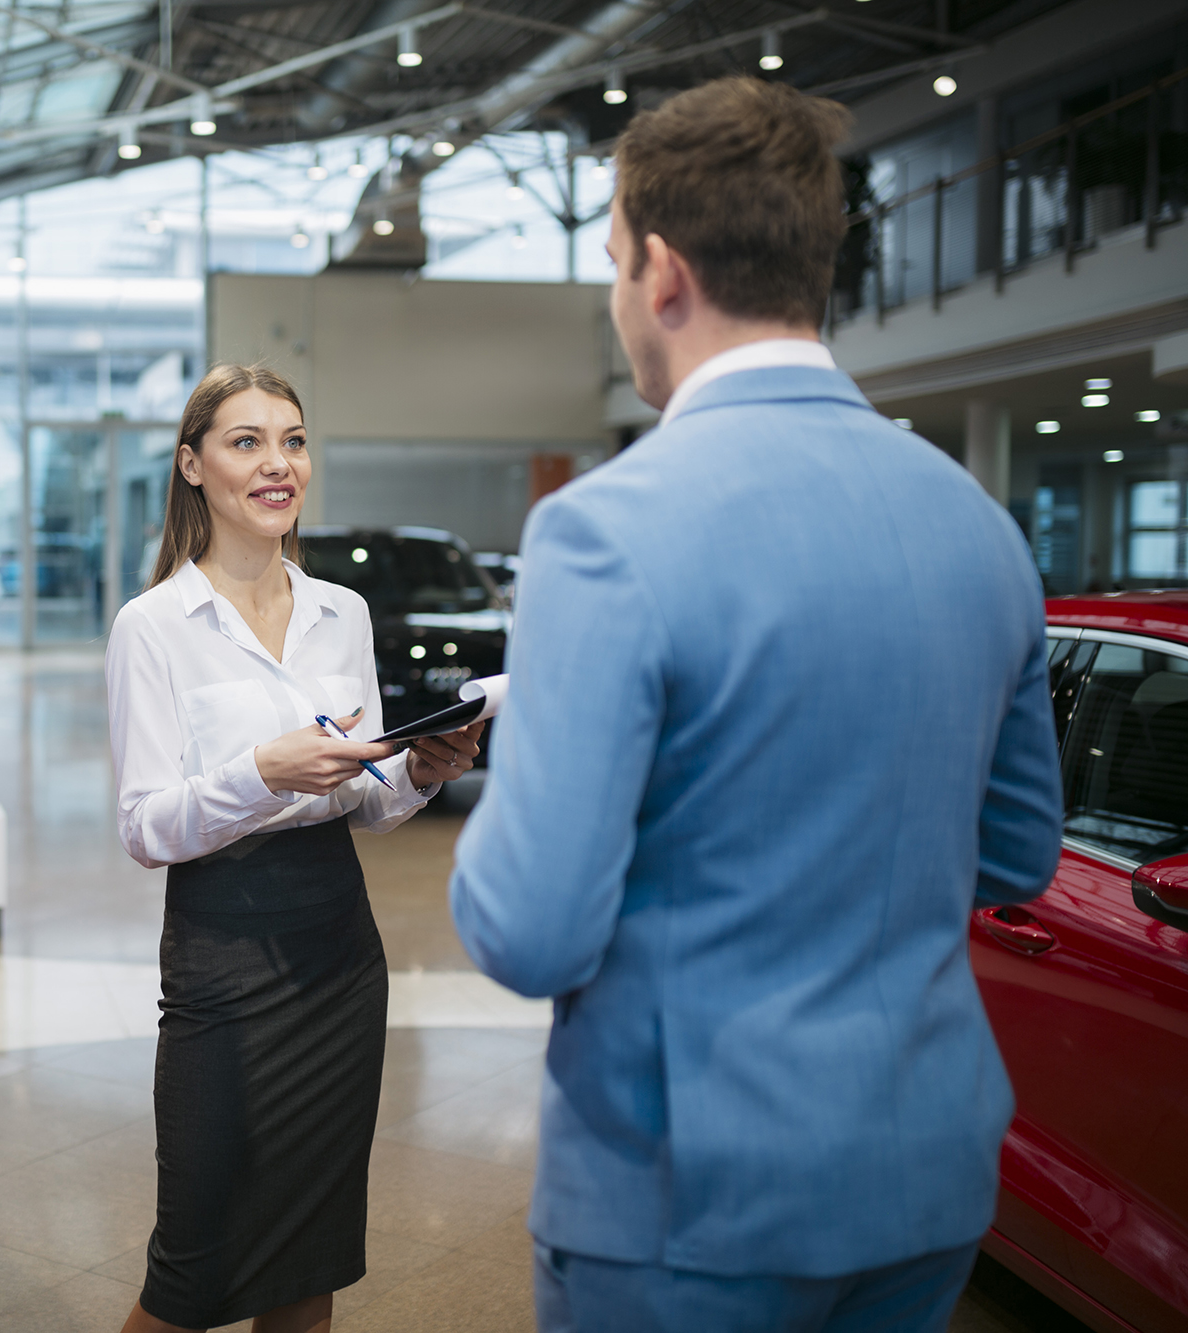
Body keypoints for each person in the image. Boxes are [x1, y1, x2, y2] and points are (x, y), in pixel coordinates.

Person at [450, 77, 1064, 1333]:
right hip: (924, 1170)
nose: (620, 294)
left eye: (614, 263)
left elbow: (528, 929)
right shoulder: (977, 526)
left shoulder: (603, 533)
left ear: (662, 273)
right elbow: (1014, 849)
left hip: (690, 1196)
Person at [108, 364, 484, 1333]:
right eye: (246, 442)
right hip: (222, 954)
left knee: (307, 1256)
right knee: (189, 1268)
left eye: (293, 440)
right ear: (192, 465)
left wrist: (419, 771)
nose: (277, 464)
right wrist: (261, 772)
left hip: (337, 954)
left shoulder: (339, 612)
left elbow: (360, 799)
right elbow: (144, 826)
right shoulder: (152, 626)